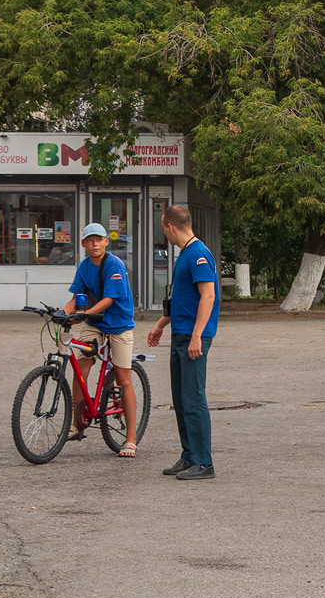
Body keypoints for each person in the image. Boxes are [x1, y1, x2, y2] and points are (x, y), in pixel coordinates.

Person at [147, 205, 218, 481]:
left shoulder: (198, 254)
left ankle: (203, 462)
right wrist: (161, 325)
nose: (164, 234)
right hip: (180, 333)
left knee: (193, 398)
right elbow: (181, 299)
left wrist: (197, 335)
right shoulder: (185, 253)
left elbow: (208, 296)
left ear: (170, 227)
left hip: (193, 336)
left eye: (163, 228)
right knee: (180, 397)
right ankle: (189, 455)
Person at [63, 222, 138, 456]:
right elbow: (76, 298)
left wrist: (83, 314)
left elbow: (109, 299)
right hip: (94, 323)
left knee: (123, 378)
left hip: (119, 323)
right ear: (83, 244)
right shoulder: (84, 266)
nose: (94, 244)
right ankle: (77, 423)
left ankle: (131, 438)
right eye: (90, 240)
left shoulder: (114, 264)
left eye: (98, 240)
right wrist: (62, 314)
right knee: (80, 368)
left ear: (106, 241)